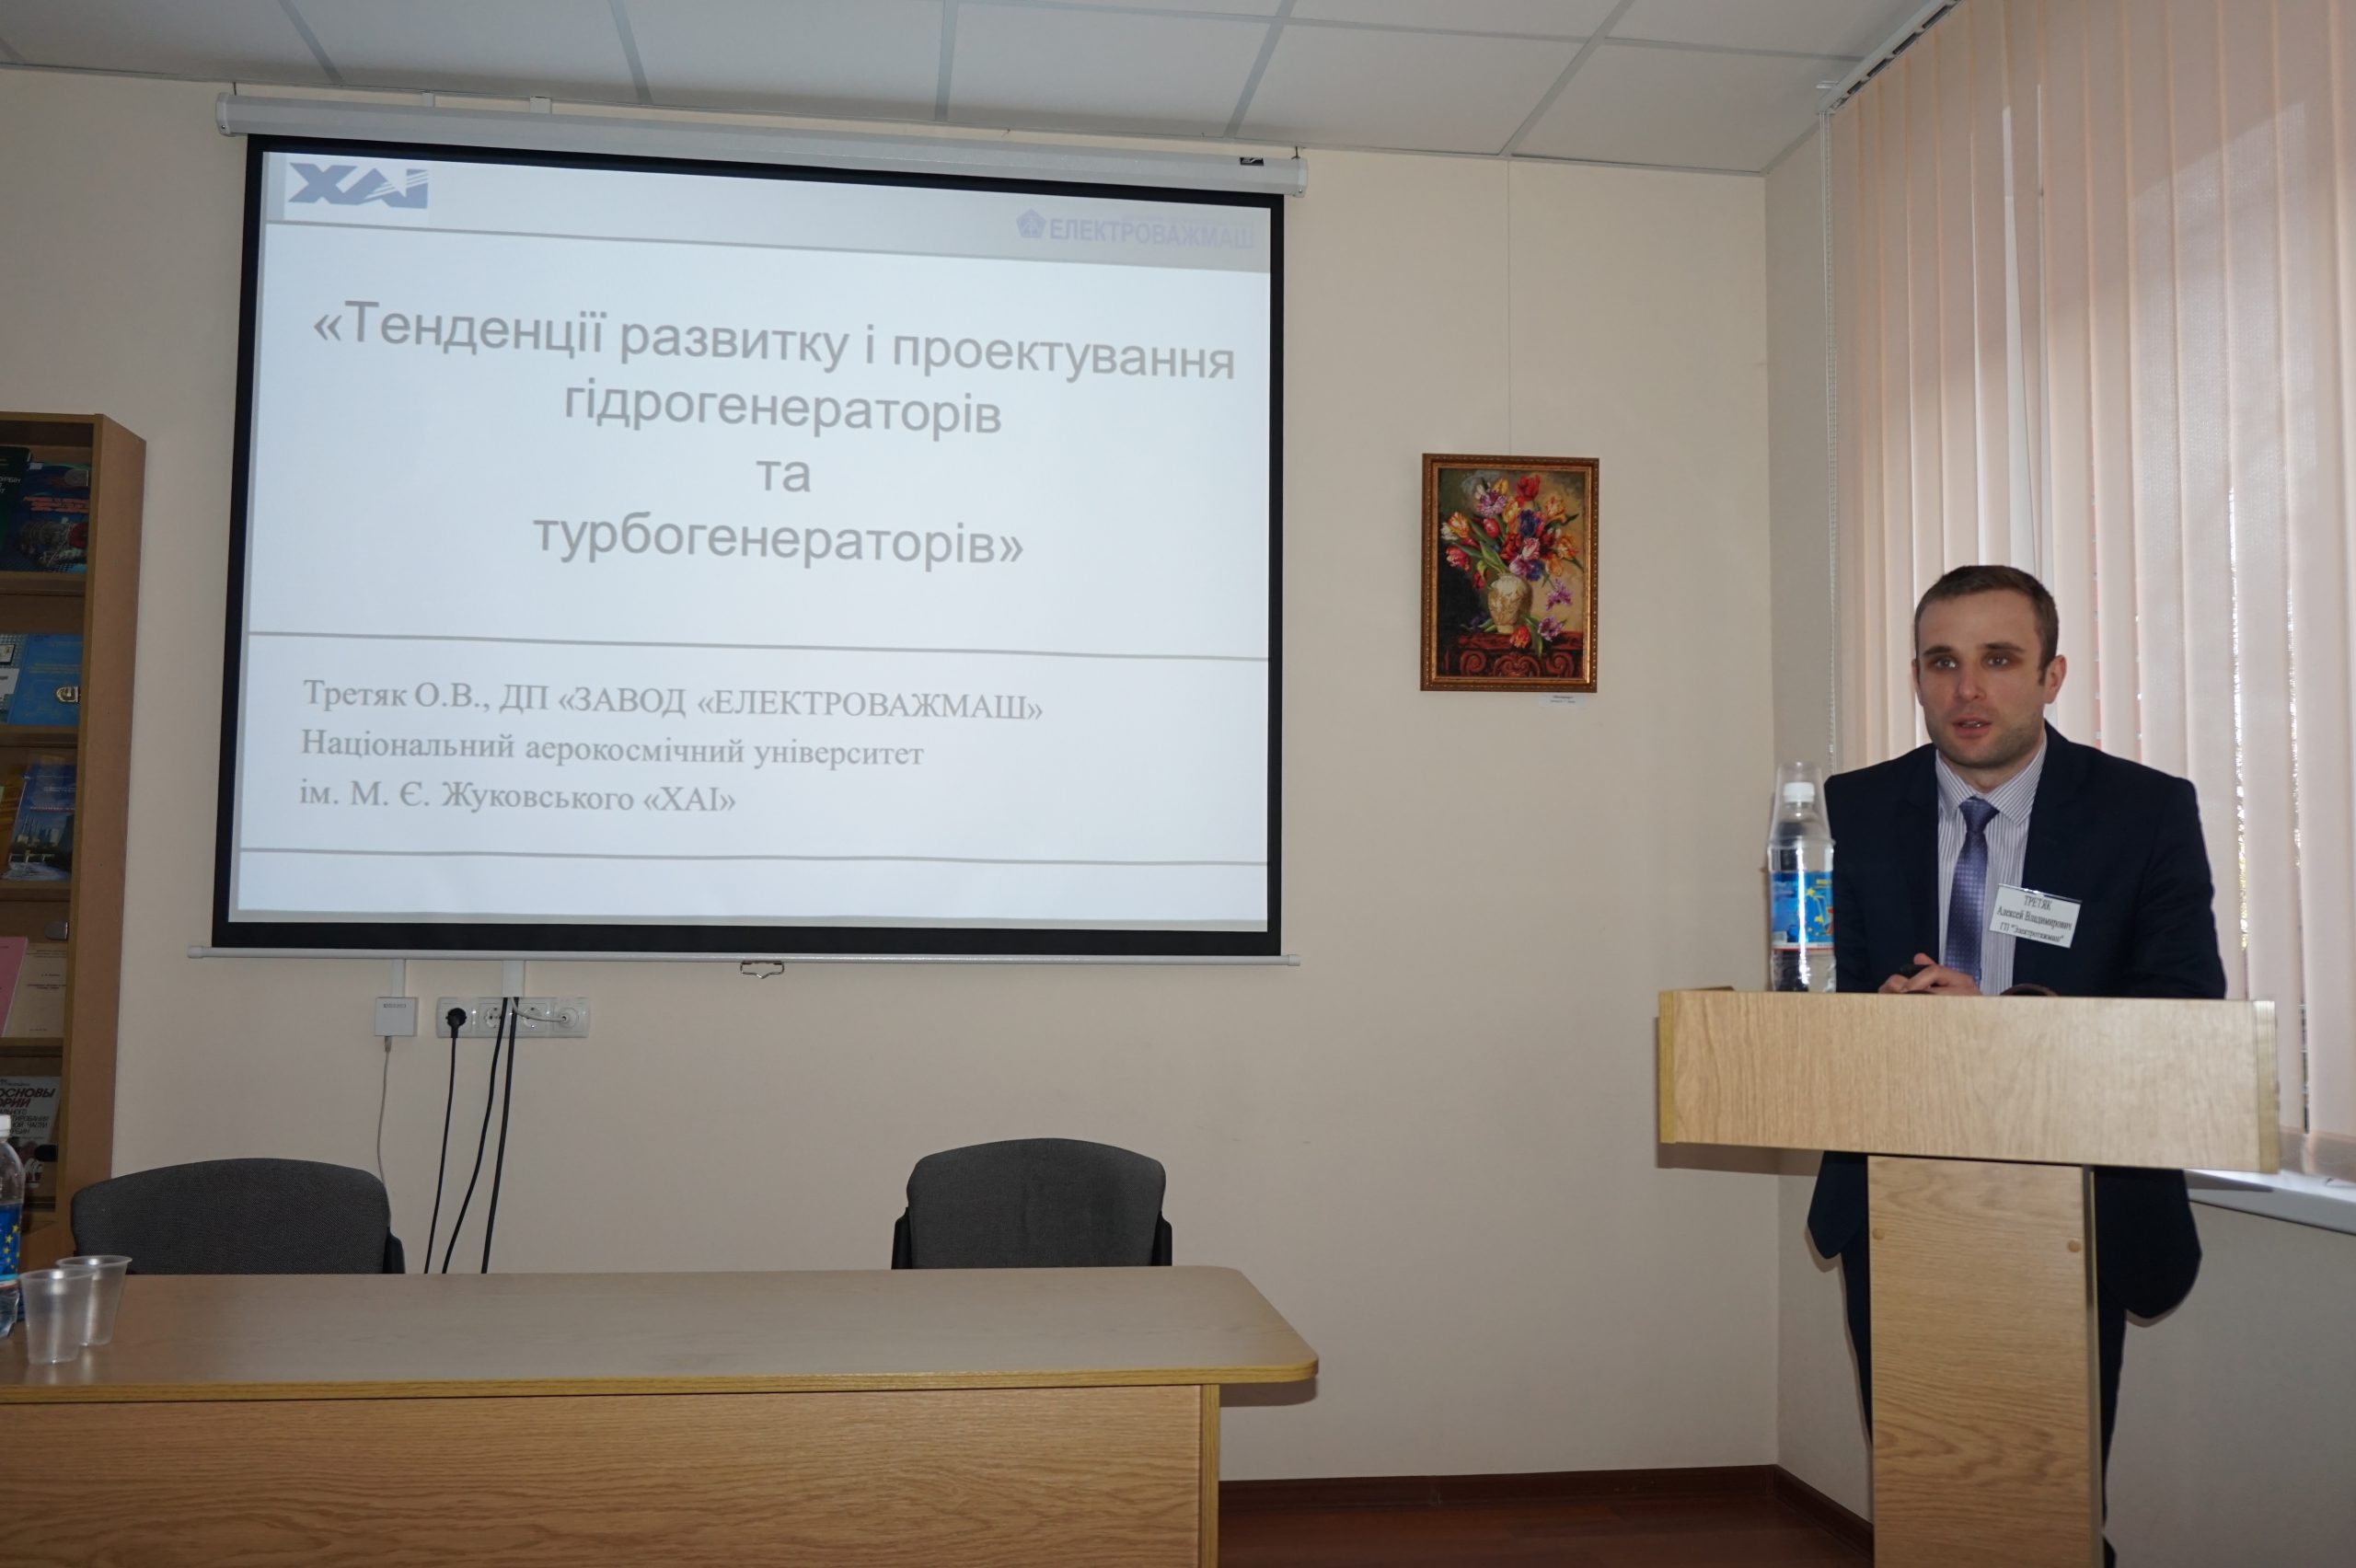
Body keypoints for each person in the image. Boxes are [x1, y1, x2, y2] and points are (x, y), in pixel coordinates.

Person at [1807, 564, 2222, 1568]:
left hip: (2074, 1197)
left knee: (2050, 1503)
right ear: (1916, 676)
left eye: (1998, 659)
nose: (1967, 690)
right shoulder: (1857, 806)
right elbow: (1835, 990)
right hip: (1897, 1195)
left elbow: (2182, 1012)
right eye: (1942, 662)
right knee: (1926, 1502)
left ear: (2051, 675)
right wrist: (1877, 1018)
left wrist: (2001, 1025)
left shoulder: (2143, 810)